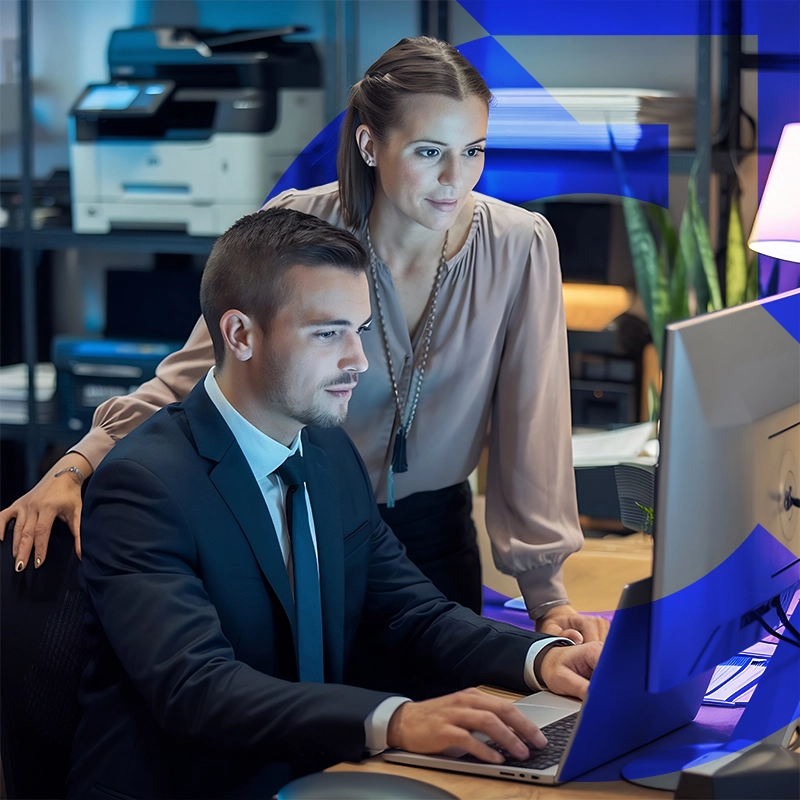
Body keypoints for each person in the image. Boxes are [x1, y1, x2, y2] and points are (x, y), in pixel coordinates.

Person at [1, 36, 608, 642]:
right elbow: (194, 380)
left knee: (449, 725)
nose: (457, 178)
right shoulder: (300, 228)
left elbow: (535, 421)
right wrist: (77, 465)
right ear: (371, 144)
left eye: (472, 150)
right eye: (430, 152)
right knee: (324, 725)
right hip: (301, 530)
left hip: (436, 541)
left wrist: (547, 599)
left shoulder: (520, 243)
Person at [67, 207, 601, 800]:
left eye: (360, 329)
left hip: (315, 776)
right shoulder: (143, 485)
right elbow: (199, 688)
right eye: (328, 333)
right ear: (240, 334)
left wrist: (542, 658)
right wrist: (396, 720)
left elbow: (412, 612)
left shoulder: (326, 451)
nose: (359, 360)